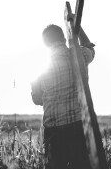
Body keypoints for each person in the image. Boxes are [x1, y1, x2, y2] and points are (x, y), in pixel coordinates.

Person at [31, 23, 95, 169]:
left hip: (53, 131)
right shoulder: (79, 54)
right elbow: (90, 48)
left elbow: (37, 99)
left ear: (45, 44)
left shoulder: (39, 67)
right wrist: (77, 27)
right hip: (77, 127)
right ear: (64, 38)